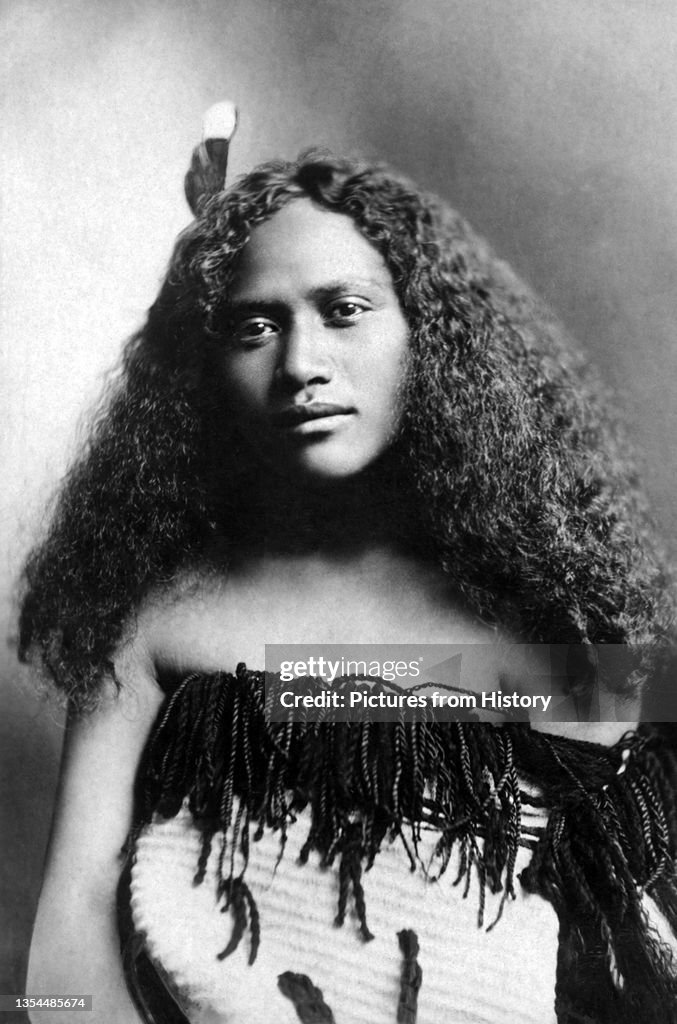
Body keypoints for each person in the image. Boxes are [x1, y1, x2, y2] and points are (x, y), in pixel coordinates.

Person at [19, 113, 677, 1024]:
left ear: (432, 337)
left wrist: (321, 684)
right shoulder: (156, 617)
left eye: (344, 310)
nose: (300, 364)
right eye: (255, 325)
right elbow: (71, 911)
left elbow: (624, 786)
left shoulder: (543, 616)